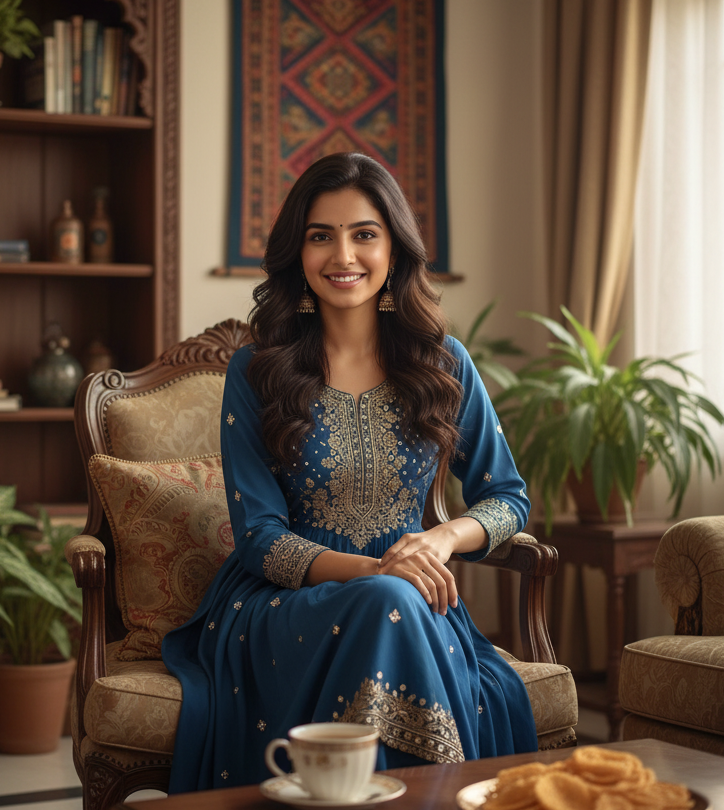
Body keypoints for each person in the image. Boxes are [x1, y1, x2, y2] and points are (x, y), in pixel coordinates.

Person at [161, 152, 538, 791]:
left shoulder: (444, 362)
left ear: (394, 249)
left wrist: (440, 539)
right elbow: (258, 537)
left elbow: (507, 497)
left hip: (416, 598)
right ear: (297, 252)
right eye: (321, 236)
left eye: (364, 234)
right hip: (286, 602)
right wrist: (376, 573)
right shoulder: (257, 369)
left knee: (394, 603)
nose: (344, 256)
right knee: (388, 600)